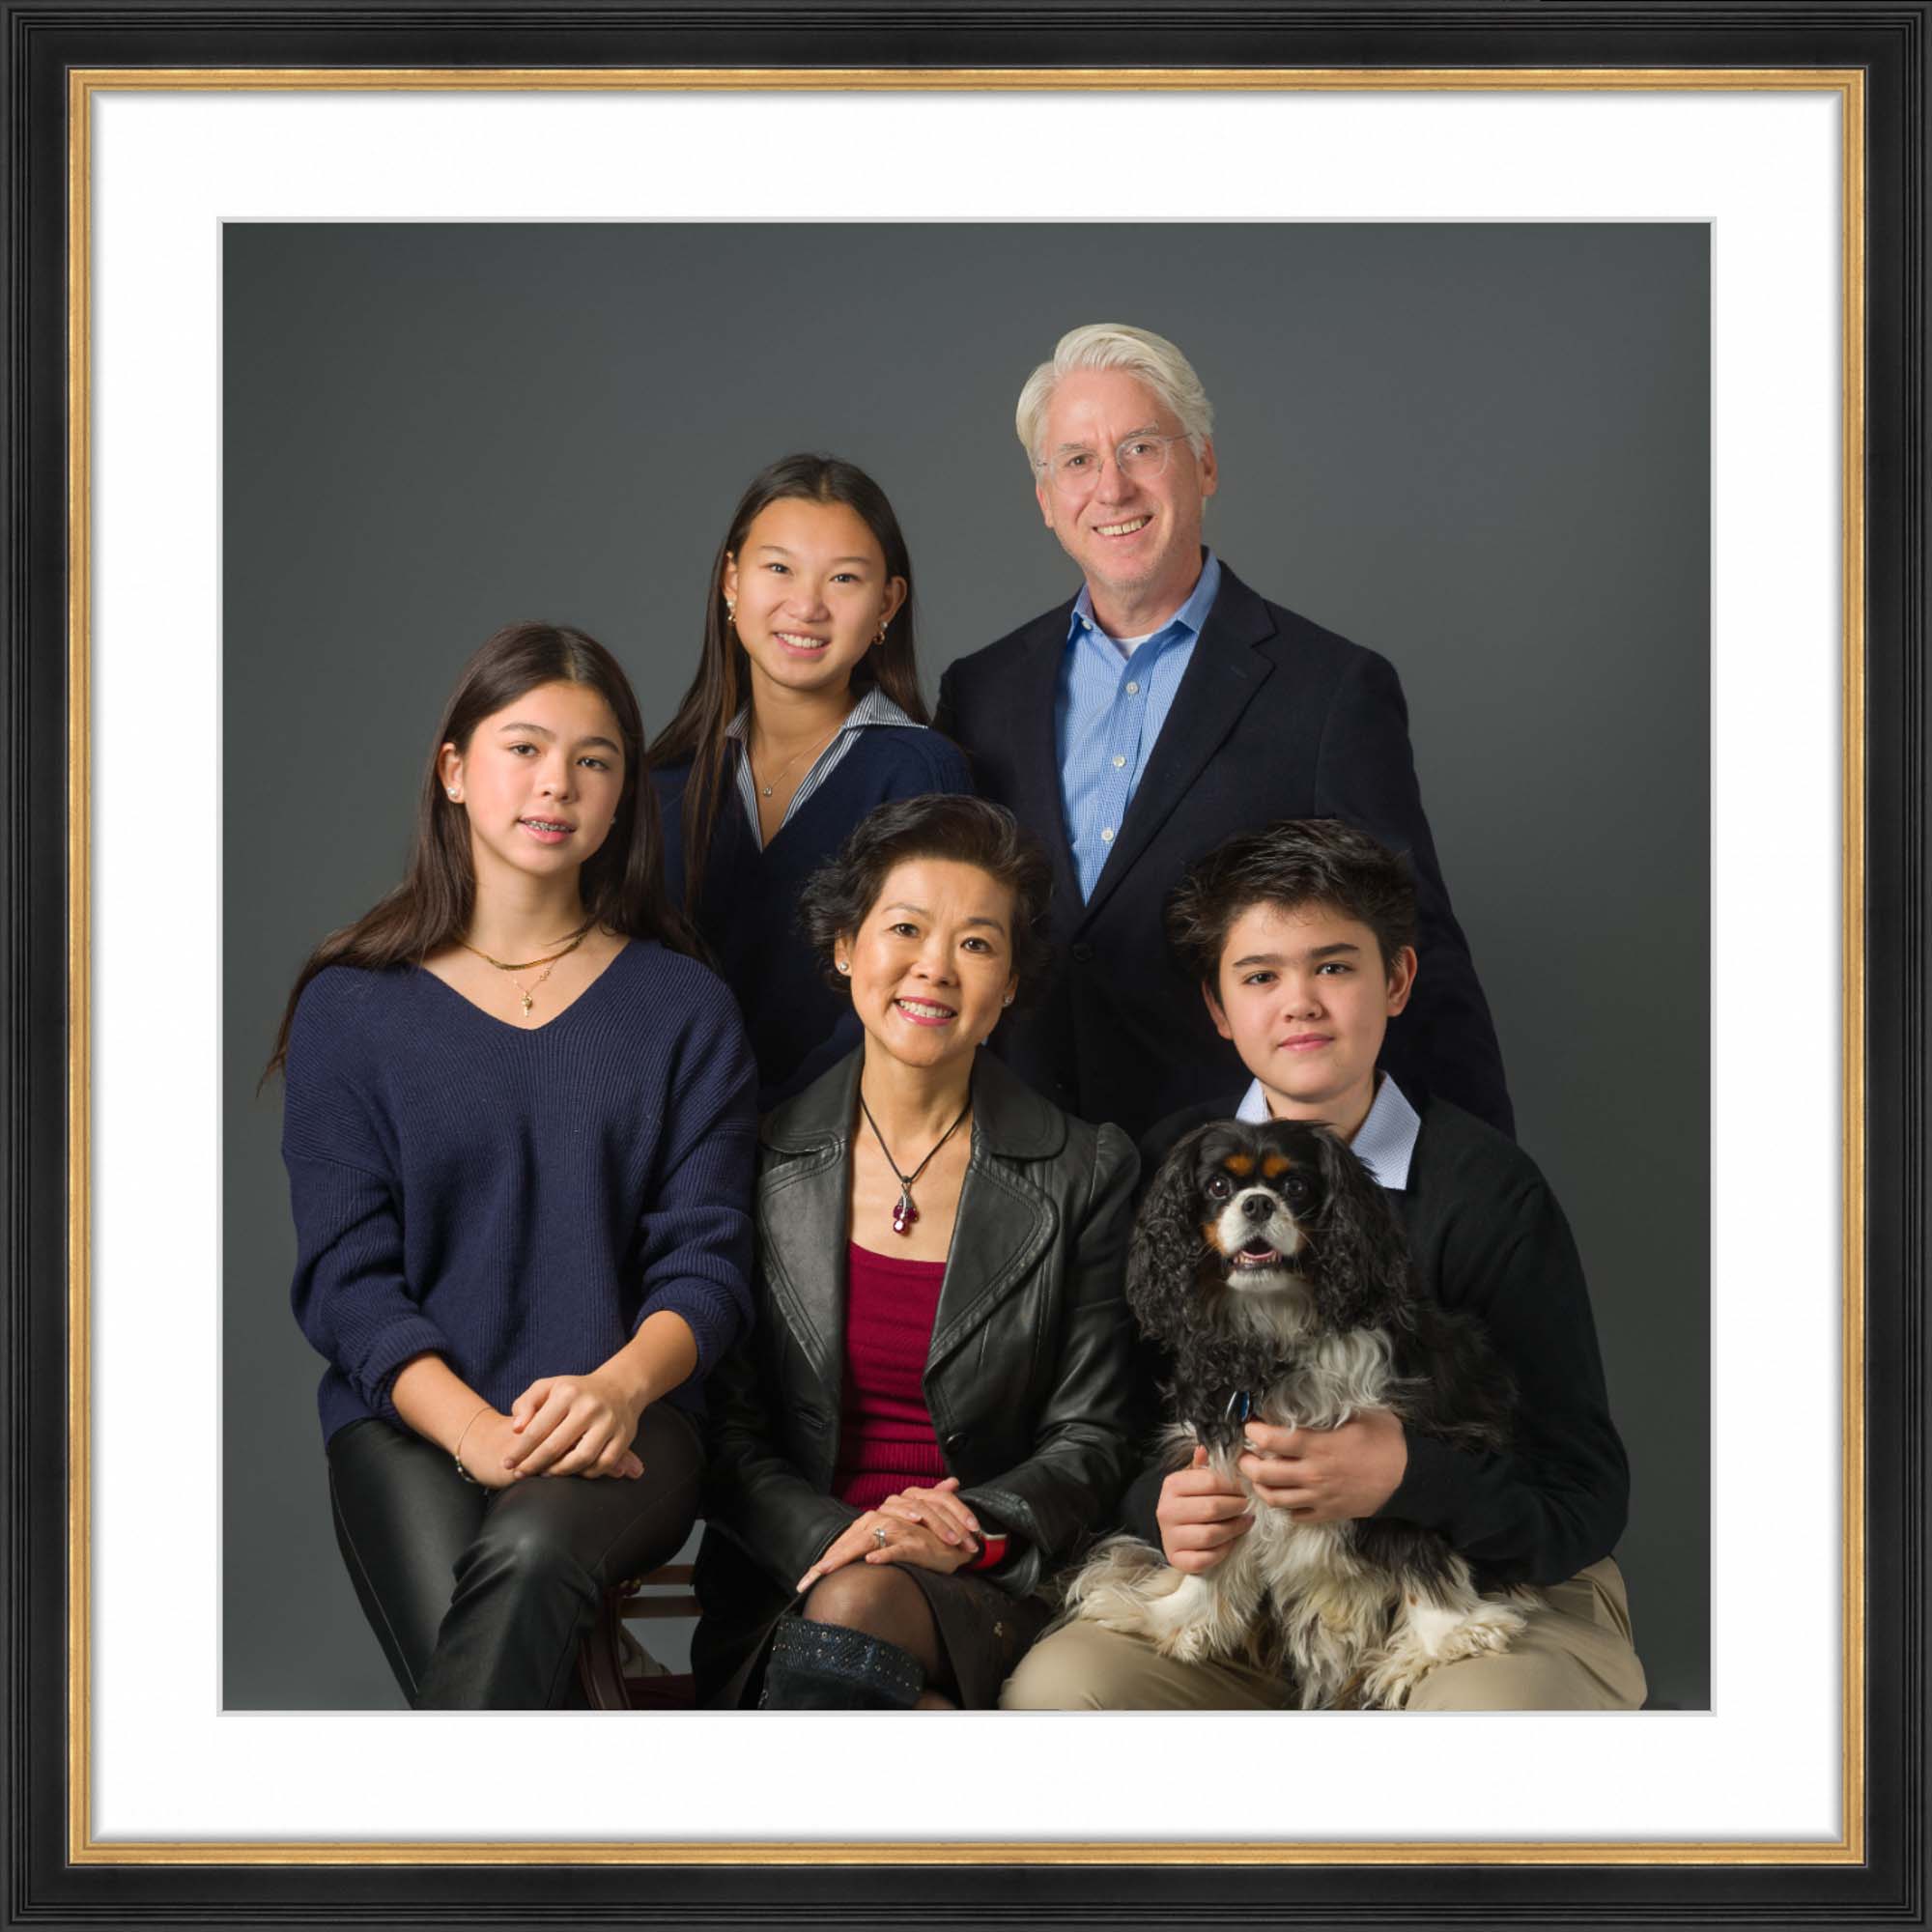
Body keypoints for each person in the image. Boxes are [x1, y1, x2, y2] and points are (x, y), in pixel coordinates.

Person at [1002, 818, 1642, 1710]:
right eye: (1261, 976)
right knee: (1063, 1691)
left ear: (1398, 981)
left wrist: (1411, 1476)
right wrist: (1164, 1503)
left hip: (1478, 1586)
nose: (1299, 1002)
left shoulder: (1487, 1188)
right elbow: (1103, 1427)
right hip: (1249, 1595)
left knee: (1494, 1722)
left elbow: (1585, 1495)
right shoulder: (1166, 1168)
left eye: (1334, 967)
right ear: (1220, 1009)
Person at [270, 621, 757, 1709]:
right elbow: (347, 1280)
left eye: (594, 760)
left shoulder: (682, 1006)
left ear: (624, 792)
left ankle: (452, 1872)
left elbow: (708, 1265)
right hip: (410, 1416)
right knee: (492, 1652)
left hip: (629, 1416)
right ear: (454, 769)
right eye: (525, 748)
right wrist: (475, 1429)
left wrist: (618, 1387)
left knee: (529, 1561)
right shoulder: (353, 1007)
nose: (557, 784)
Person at [935, 322, 1512, 1146]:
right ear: (1045, 501)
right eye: (1077, 460)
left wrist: (1476, 1197)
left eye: (1140, 448)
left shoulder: (1331, 690)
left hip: (1242, 1185)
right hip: (1023, 1171)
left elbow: (1414, 954)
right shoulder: (980, 691)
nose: (1112, 487)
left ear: (1203, 463)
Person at [691, 794, 1141, 1709]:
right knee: (867, 1642)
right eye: (905, 928)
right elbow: (725, 1432)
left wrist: (967, 1528)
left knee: (860, 1620)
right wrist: (840, 1534)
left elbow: (1093, 1437)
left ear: (1010, 984)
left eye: (977, 943)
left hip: (994, 1584)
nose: (934, 968)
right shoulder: (758, 1156)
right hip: (792, 1577)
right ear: (846, 946)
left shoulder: (1086, 1169)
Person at [650, 453, 972, 1108]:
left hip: (834, 1155)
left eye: (844, 579)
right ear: (731, 581)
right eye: (778, 568)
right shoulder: (662, 783)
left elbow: (914, 990)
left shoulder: (920, 773)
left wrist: (769, 1134)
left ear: (888, 603)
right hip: (667, 1147)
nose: (806, 606)